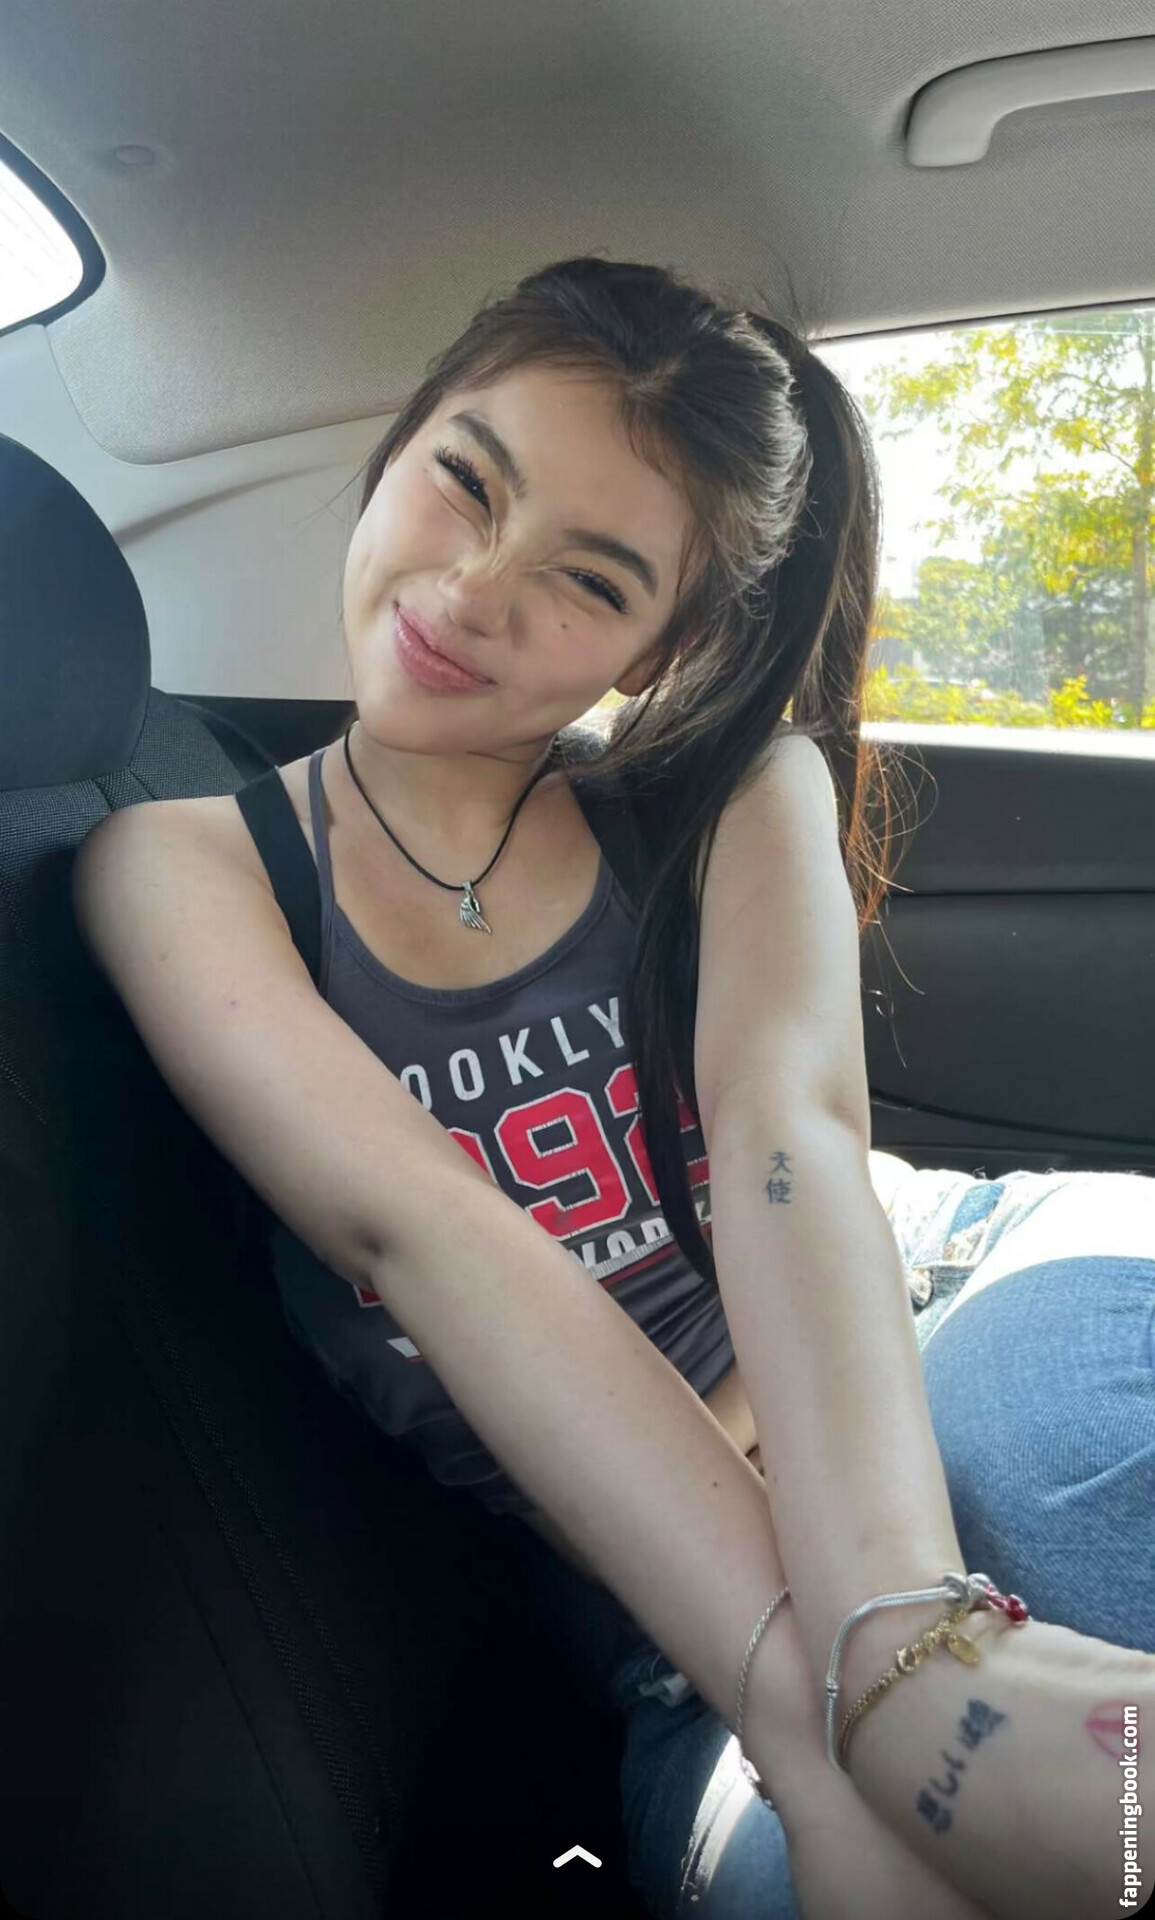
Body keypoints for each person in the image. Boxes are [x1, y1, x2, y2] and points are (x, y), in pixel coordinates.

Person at [75, 255, 1154, 1920]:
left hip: (948, 1303)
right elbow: (431, 1233)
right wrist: (812, 1718)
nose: (475, 591)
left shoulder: (731, 796)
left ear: (672, 644)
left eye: (588, 577)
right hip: (661, 1583)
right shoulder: (184, 867)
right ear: (401, 439)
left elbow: (792, 1138)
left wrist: (903, 1656)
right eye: (467, 479)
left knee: (1079, 1508)